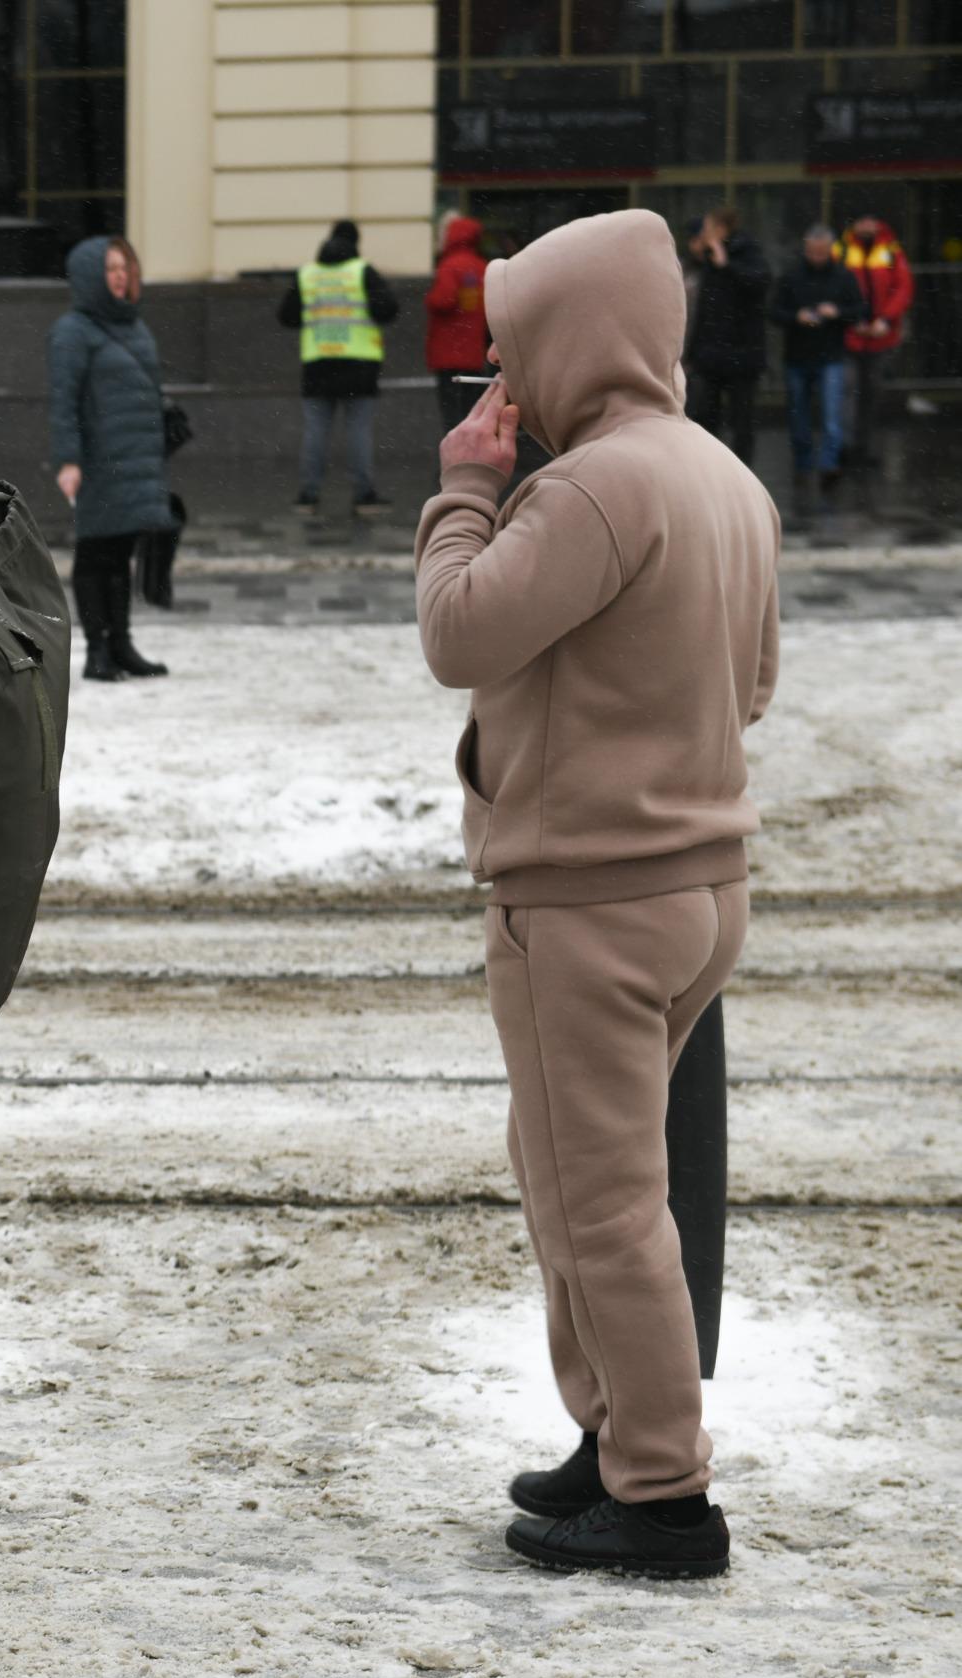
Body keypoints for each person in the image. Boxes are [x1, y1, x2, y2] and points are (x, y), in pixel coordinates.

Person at [415, 207, 776, 1582]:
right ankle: (615, 1435)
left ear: (572, 337)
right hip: (695, 890)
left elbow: (458, 631)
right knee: (577, 1177)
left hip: (582, 900)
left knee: (599, 1202)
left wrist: (461, 488)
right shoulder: (722, 479)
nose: (502, 378)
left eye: (513, 343)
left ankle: (659, 1497)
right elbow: (750, 690)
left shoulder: (590, 489)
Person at [48, 235, 177, 682]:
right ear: (89, 276)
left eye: (125, 269)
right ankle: (96, 650)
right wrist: (68, 460)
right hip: (98, 460)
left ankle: (121, 644)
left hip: (136, 456)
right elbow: (63, 402)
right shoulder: (72, 332)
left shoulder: (135, 326)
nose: (120, 278)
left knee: (121, 553)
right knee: (94, 553)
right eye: (111, 270)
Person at [279, 218, 400, 514]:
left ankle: (308, 496)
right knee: (358, 431)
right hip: (359, 365)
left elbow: (287, 316)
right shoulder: (362, 272)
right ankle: (364, 495)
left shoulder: (308, 274)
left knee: (316, 431)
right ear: (356, 243)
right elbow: (388, 309)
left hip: (318, 365)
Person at [770, 224, 867, 501]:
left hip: (831, 356)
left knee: (831, 417)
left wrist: (837, 312)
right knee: (798, 417)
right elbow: (775, 312)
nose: (817, 257)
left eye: (822, 252)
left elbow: (859, 310)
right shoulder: (792, 276)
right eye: (813, 252)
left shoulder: (843, 276)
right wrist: (796, 317)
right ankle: (803, 464)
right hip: (798, 356)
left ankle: (828, 466)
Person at [680, 208, 771, 465]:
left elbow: (760, 282)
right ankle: (712, 468)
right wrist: (693, 353)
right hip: (711, 354)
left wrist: (727, 266)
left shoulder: (748, 252)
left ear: (722, 229)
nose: (704, 235)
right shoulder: (708, 260)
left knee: (742, 420)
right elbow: (704, 310)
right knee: (706, 417)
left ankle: (743, 472)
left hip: (742, 354)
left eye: (708, 229)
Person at [841, 212, 914, 466]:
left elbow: (903, 288)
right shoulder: (842, 250)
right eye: (861, 221)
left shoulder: (890, 249)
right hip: (849, 338)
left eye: (870, 221)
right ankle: (847, 447)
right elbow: (836, 288)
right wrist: (852, 320)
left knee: (871, 393)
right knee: (848, 391)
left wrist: (885, 319)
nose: (866, 226)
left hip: (880, 339)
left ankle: (866, 448)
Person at [425, 213, 491, 433]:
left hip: (448, 352)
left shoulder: (450, 266)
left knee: (451, 412)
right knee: (472, 411)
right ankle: (474, 458)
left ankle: (455, 462)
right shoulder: (482, 266)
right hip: (473, 351)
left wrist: (429, 299)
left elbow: (443, 300)